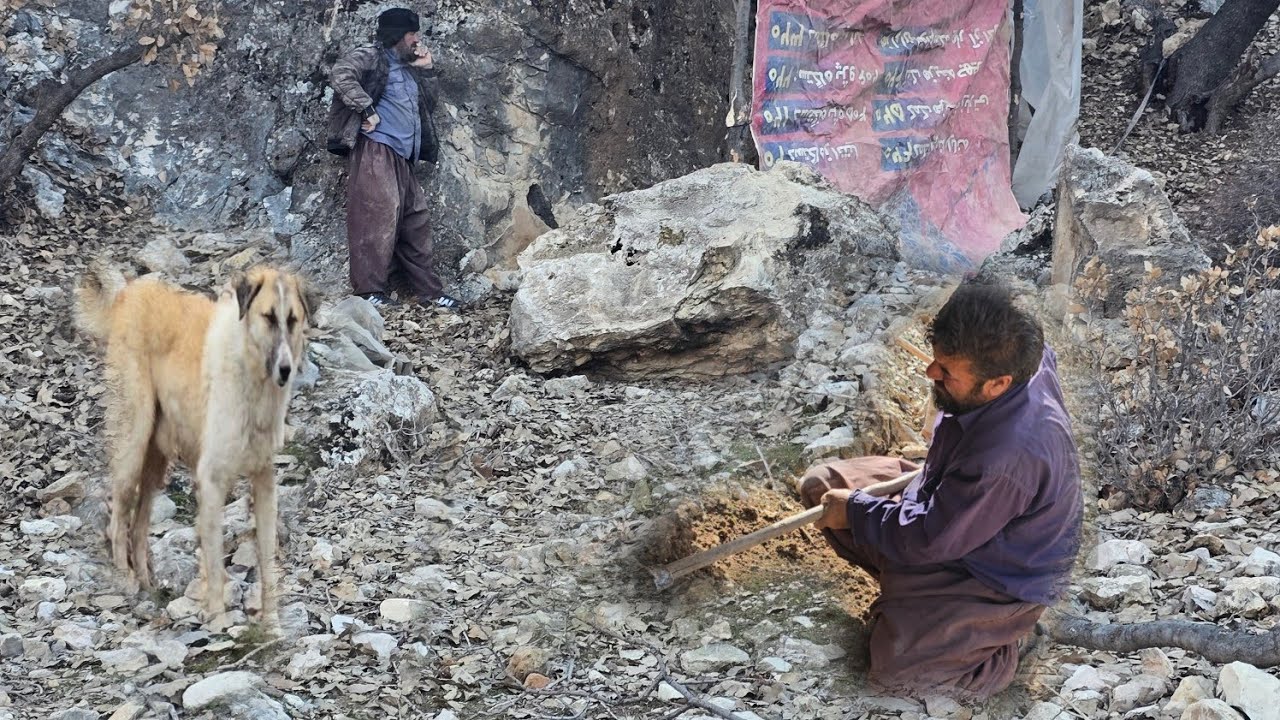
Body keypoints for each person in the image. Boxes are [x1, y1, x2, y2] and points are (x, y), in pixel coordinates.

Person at [797, 280, 1082, 699]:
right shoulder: (1025, 359)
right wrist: (860, 506)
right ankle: (918, 601)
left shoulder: (1003, 457)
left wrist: (857, 511)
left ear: (998, 384)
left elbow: (931, 536)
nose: (931, 373)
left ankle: (998, 642)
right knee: (822, 486)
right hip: (949, 501)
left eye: (946, 371)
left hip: (995, 576)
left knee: (897, 675)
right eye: (936, 361)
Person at [326, 8, 460, 311]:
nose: (416, 39)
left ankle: (430, 292)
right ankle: (368, 292)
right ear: (398, 35)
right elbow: (340, 74)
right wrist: (367, 109)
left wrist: (426, 69)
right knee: (377, 216)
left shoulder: (408, 66)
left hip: (403, 156)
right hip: (376, 149)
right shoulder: (371, 56)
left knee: (416, 220)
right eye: (412, 34)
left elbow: (430, 104)